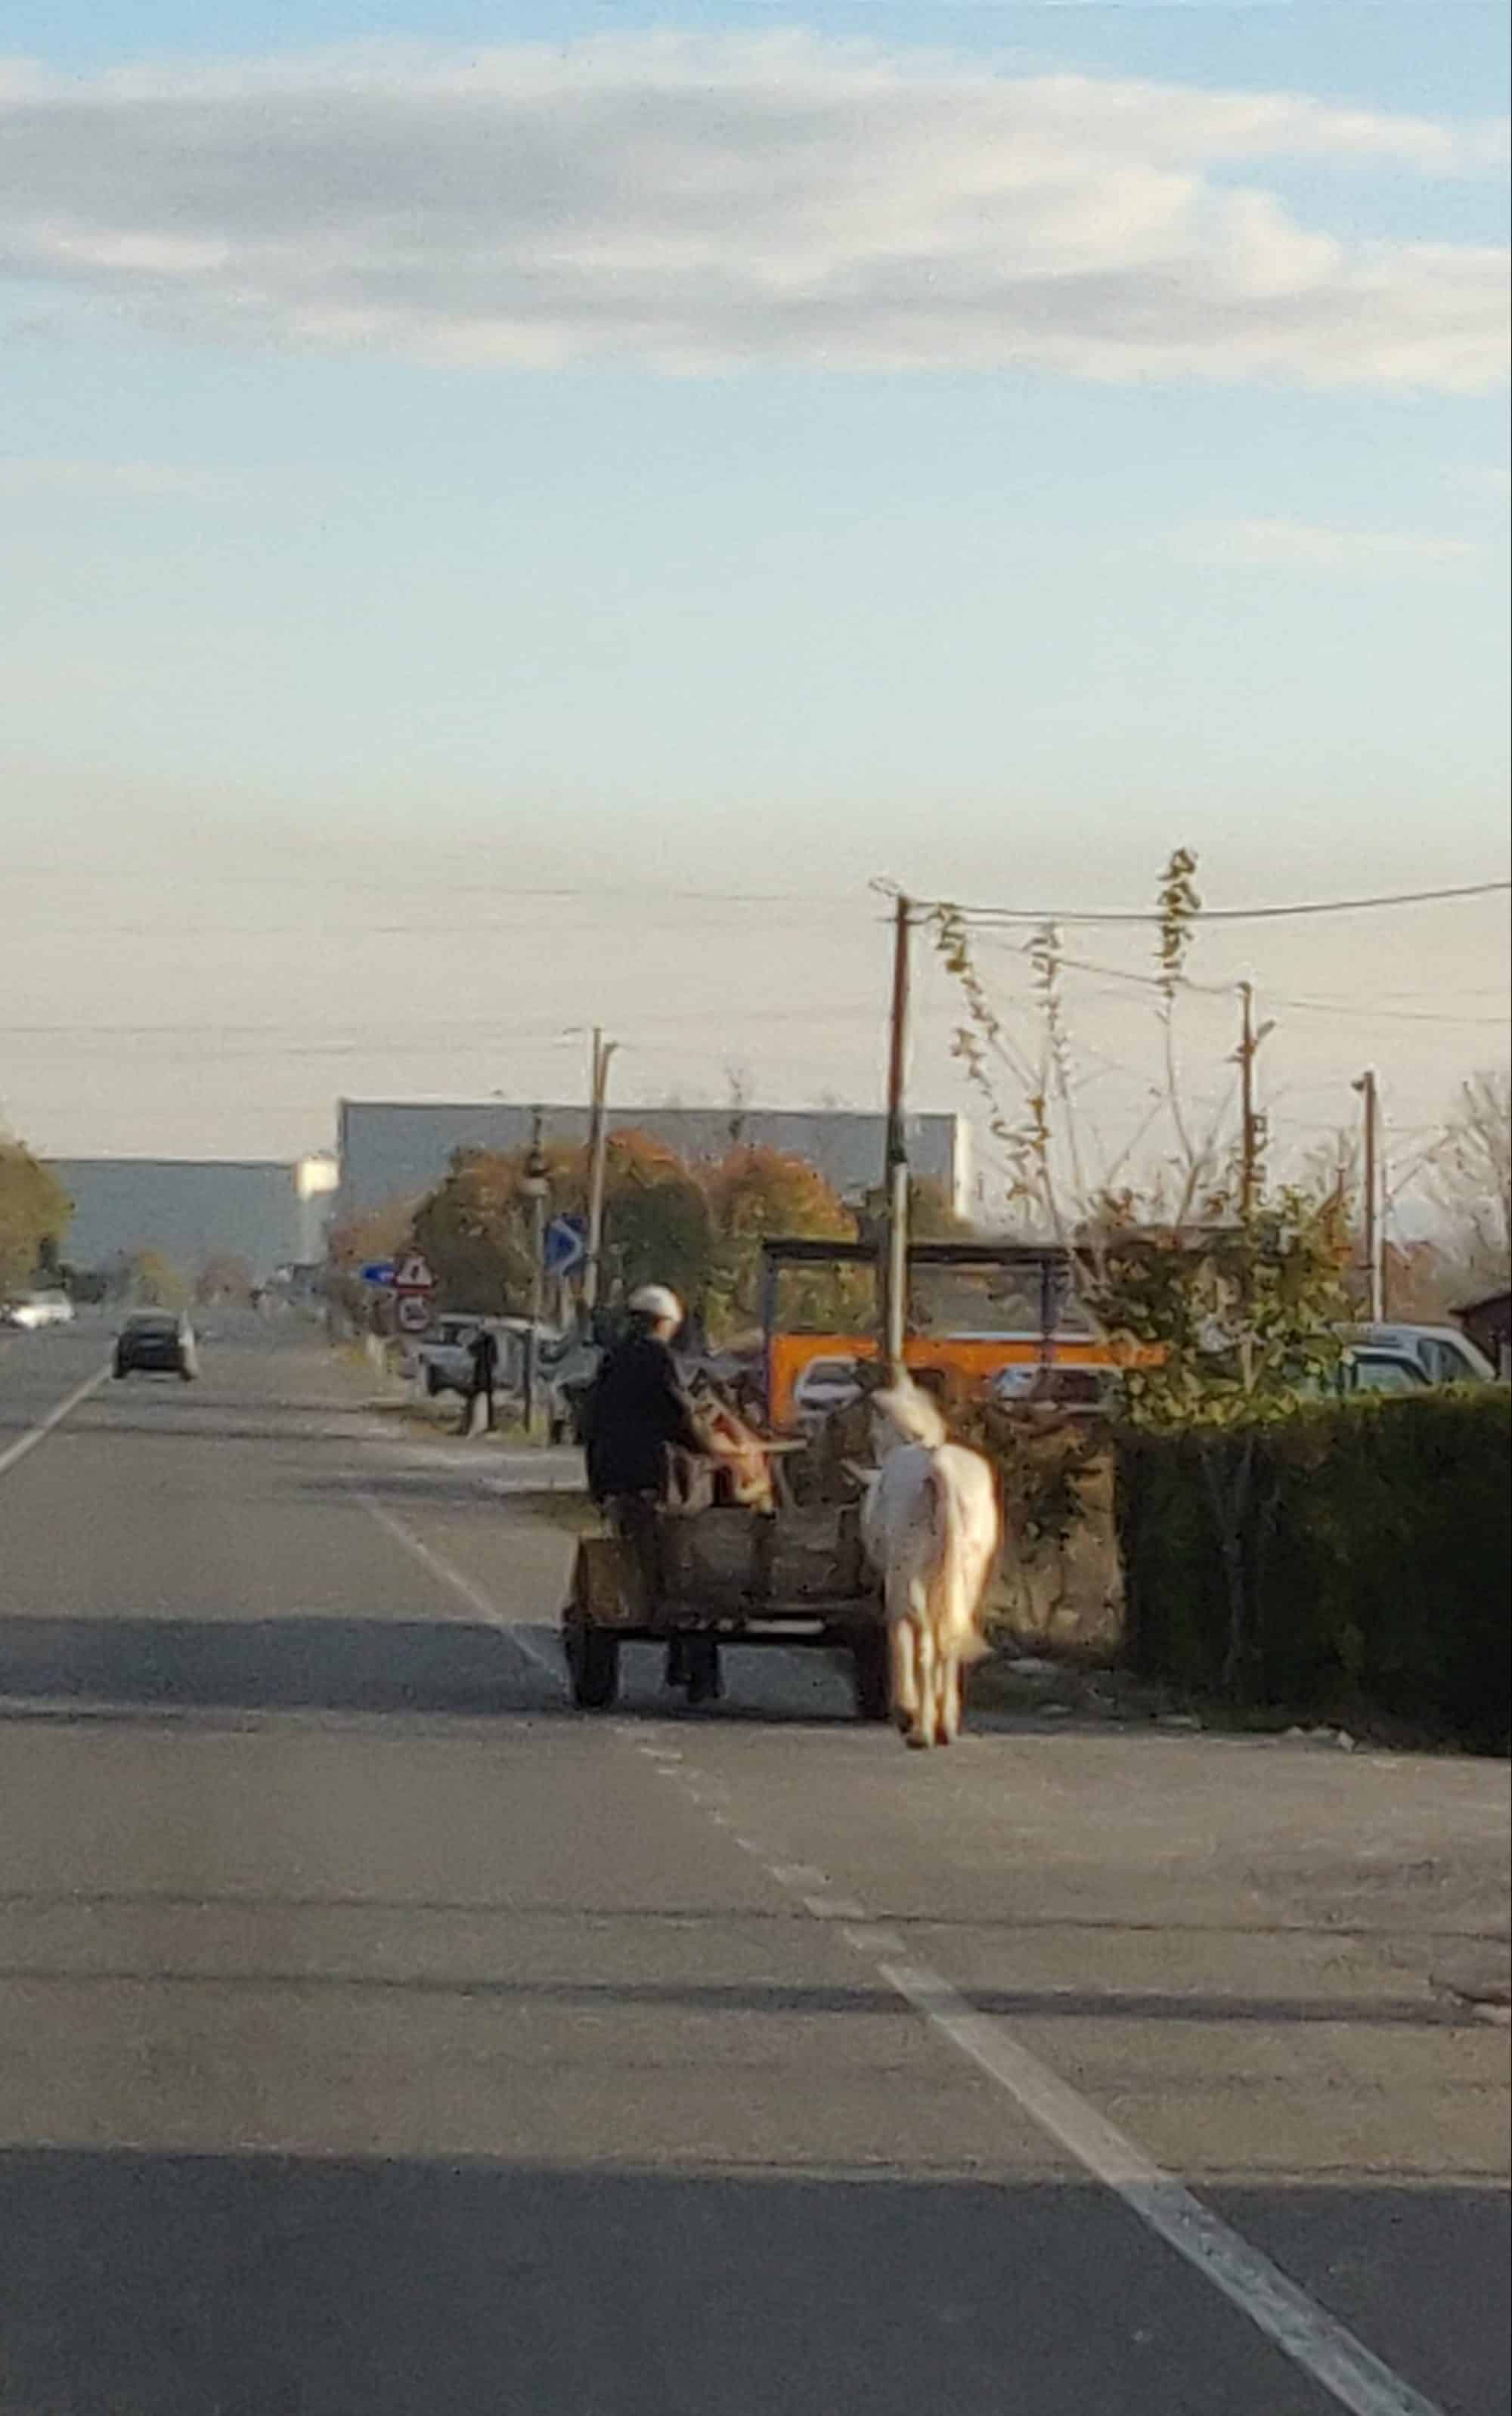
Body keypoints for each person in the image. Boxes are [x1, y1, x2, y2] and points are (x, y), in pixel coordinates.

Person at [583, 1284, 727, 1702]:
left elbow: (592, 1422)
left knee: (642, 1555)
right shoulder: (656, 1359)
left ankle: (683, 1661)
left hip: (614, 1478)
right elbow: (677, 1415)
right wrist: (712, 1448)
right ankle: (695, 1666)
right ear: (665, 1324)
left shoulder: (612, 1361)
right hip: (649, 1479)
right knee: (688, 1566)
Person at [462, 1321, 500, 1435]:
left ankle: (486, 1424)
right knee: (477, 1399)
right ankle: (471, 1425)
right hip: (481, 1374)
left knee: (484, 1399)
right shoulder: (482, 1341)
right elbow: (472, 1351)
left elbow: (493, 1358)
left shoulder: (489, 1340)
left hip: (484, 1375)